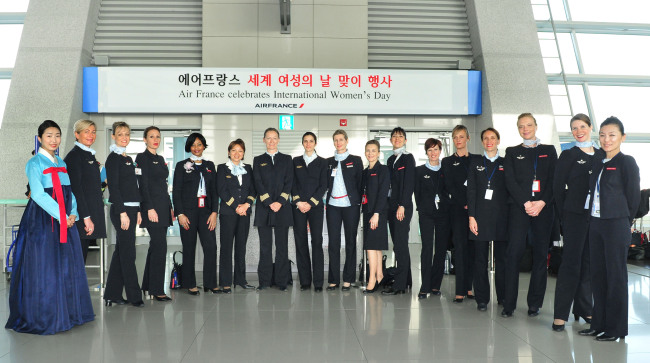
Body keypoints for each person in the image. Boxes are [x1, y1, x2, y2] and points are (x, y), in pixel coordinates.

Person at [6, 120, 94, 334]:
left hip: (65, 220)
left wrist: (73, 213)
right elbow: (37, 194)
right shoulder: (34, 163)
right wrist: (63, 216)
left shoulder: (61, 162)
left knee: (66, 267)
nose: (54, 140)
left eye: (57, 135)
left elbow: (69, 192)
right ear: (40, 139)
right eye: (49, 136)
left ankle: (68, 313)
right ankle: (45, 317)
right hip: (42, 222)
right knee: (45, 268)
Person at [579, 116, 640, 341]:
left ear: (622, 137)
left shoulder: (627, 162)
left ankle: (615, 329)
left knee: (615, 277)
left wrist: (625, 221)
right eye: (603, 135)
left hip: (616, 224)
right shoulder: (598, 162)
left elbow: (633, 198)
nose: (606, 139)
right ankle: (599, 323)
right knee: (597, 275)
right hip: (595, 223)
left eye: (612, 135)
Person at [502, 113, 557, 317]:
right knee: (513, 254)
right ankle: (509, 304)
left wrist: (541, 202)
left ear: (536, 126)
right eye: (521, 126)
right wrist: (526, 203)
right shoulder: (512, 152)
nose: (525, 129)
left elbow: (554, 180)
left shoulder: (549, 151)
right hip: (519, 208)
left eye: (528, 125)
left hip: (543, 209)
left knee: (540, 256)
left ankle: (535, 304)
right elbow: (510, 181)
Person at [551, 114, 596, 331]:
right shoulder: (568, 155)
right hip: (574, 217)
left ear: (590, 127)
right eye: (574, 128)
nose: (578, 131)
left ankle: (584, 308)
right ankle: (561, 314)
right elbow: (557, 189)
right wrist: (563, 217)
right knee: (570, 264)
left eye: (582, 126)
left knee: (588, 264)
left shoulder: (601, 155)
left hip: (596, 218)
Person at [172, 133, 219, 295]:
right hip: (188, 214)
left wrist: (214, 212)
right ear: (189, 147)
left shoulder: (210, 165)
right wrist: (180, 214)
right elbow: (176, 192)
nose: (197, 148)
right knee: (189, 248)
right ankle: (189, 283)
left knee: (211, 247)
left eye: (199, 144)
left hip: (206, 213)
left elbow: (214, 191)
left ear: (204, 146)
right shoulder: (181, 165)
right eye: (193, 145)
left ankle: (211, 283)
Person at [104, 121, 144, 307]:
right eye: (120, 134)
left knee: (121, 252)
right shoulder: (113, 158)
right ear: (113, 136)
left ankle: (112, 293)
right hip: (122, 210)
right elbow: (114, 187)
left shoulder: (128, 158)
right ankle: (135, 296)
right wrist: (122, 213)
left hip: (131, 209)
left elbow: (132, 187)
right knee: (129, 254)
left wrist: (137, 210)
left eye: (127, 134)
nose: (124, 137)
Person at [467, 128, 508, 311]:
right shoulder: (475, 162)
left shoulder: (506, 162)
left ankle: (504, 297)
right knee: (480, 260)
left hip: (501, 217)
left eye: (492, 138)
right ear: (482, 141)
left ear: (498, 141)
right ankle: (482, 299)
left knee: (503, 260)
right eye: (485, 138)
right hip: (480, 218)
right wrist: (471, 217)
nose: (489, 141)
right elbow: (471, 191)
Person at [253, 128, 293, 291]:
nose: (271, 141)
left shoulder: (286, 159)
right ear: (263, 140)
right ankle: (264, 281)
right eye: (268, 138)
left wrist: (280, 202)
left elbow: (289, 182)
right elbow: (258, 182)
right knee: (265, 247)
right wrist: (270, 202)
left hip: (282, 208)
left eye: (274, 138)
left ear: (278, 140)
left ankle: (282, 281)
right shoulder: (258, 160)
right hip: (264, 208)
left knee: (282, 246)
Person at [136, 126, 173, 302]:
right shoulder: (142, 158)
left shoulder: (161, 158)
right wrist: (149, 208)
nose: (155, 139)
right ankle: (158, 289)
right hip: (152, 208)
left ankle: (148, 285)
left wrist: (170, 206)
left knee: (155, 246)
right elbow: (142, 185)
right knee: (160, 246)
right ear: (145, 139)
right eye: (151, 136)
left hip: (164, 207)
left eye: (158, 136)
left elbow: (164, 185)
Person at [442, 124, 476, 302]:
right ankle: (460, 290)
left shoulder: (477, 160)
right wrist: (464, 203)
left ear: (468, 138)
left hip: (475, 212)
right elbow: (450, 186)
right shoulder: (447, 162)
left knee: (473, 250)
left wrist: (472, 205)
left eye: (461, 137)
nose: (458, 140)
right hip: (457, 211)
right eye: (455, 137)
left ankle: (469, 287)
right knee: (460, 249)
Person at [216, 139, 256, 292]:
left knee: (241, 247)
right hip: (228, 213)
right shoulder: (222, 168)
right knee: (226, 247)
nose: (237, 153)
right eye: (234, 150)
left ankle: (240, 279)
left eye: (240, 150)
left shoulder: (248, 168)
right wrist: (236, 206)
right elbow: (222, 190)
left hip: (245, 213)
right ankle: (225, 282)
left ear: (243, 153)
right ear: (228, 152)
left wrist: (246, 205)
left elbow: (253, 190)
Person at [326, 130, 363, 291]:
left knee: (350, 243)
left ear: (347, 141)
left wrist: (357, 202)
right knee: (333, 243)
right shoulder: (328, 162)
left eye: (341, 139)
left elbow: (361, 183)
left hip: (350, 207)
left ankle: (348, 279)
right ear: (333, 142)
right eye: (336, 140)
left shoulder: (355, 160)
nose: (338, 142)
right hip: (333, 206)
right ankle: (334, 280)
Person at [64, 119, 106, 262]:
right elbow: (76, 189)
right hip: (81, 216)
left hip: (88, 213)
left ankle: (78, 285)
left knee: (81, 259)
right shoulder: (75, 156)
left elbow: (90, 186)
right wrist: (86, 217)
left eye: (93, 132)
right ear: (77, 134)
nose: (91, 135)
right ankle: (74, 285)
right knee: (77, 259)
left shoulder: (89, 155)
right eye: (86, 131)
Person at [414, 138, 450, 299]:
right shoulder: (419, 171)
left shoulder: (446, 169)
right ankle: (425, 286)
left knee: (441, 249)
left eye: (436, 149)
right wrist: (423, 207)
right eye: (430, 150)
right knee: (427, 248)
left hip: (443, 213)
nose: (433, 153)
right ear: (426, 152)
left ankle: (436, 285)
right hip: (426, 214)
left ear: (440, 151)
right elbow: (417, 193)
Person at [291, 132, 328, 292]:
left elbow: (324, 185)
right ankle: (305, 281)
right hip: (298, 207)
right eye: (305, 141)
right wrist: (299, 202)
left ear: (315, 143)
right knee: (300, 242)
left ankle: (318, 282)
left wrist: (311, 203)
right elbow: (291, 183)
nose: (308, 144)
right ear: (302, 143)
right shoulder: (295, 161)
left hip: (316, 207)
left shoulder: (322, 162)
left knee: (317, 242)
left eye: (311, 141)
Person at [383, 127, 415, 295]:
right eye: (394, 136)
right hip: (391, 206)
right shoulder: (390, 160)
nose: (397, 138)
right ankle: (407, 279)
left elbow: (409, 183)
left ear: (405, 140)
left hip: (402, 207)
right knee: (398, 244)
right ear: (390, 140)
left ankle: (400, 285)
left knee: (400, 245)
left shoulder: (408, 158)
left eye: (400, 136)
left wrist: (402, 205)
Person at [361, 140, 389, 294]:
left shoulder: (382, 170)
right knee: (375, 246)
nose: (370, 153)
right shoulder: (365, 172)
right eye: (368, 150)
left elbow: (383, 192)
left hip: (377, 213)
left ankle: (371, 280)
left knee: (371, 247)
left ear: (379, 153)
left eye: (373, 150)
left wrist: (376, 214)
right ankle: (379, 276)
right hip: (367, 212)